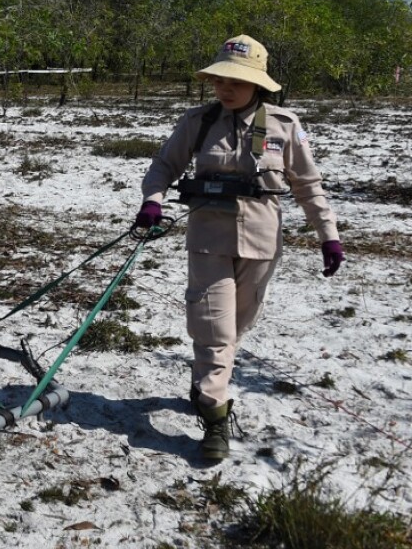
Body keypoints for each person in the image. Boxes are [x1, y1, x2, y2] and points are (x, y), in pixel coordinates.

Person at [134, 34, 344, 462]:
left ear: (258, 85)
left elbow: (308, 185)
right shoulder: (198, 121)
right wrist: (152, 200)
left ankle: (203, 382)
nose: (225, 89)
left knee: (235, 328)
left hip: (262, 244)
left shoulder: (284, 125)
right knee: (215, 331)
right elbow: (164, 165)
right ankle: (214, 416)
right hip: (208, 242)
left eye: (236, 82)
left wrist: (328, 235)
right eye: (220, 80)